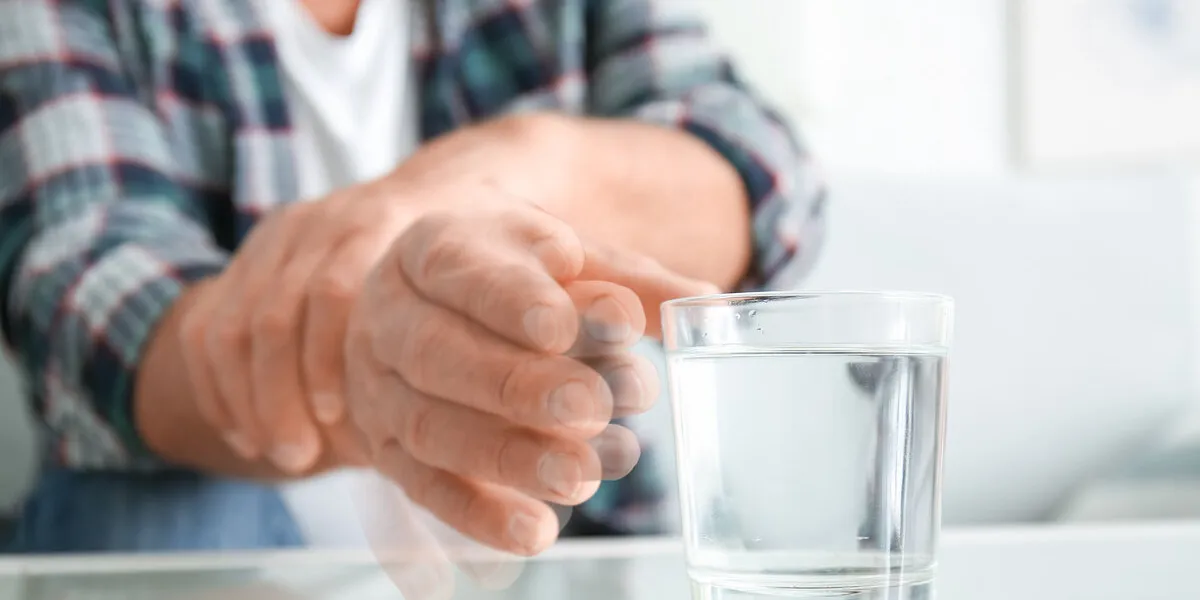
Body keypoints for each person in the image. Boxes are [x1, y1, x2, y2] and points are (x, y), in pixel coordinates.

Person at [0, 0, 825, 554]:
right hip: (202, 530)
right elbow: (85, 304)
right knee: (162, 516)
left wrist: (483, 187)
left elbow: (760, 176)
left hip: (572, 533)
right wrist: (360, 360)